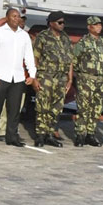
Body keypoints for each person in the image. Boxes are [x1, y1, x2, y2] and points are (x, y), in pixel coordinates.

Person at [0, 8, 36, 147]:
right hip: (1, 76)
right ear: (7, 17)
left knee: (14, 110)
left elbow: (29, 57)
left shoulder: (24, 35)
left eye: (18, 16)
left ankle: (12, 137)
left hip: (18, 77)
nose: (16, 18)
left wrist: (32, 75)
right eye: (13, 16)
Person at [32, 11, 74, 148]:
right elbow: (35, 58)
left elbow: (70, 60)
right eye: (59, 22)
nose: (62, 25)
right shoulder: (43, 37)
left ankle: (50, 134)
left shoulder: (66, 39)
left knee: (56, 108)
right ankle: (40, 135)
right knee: (42, 106)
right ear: (51, 23)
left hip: (61, 78)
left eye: (63, 23)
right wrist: (35, 77)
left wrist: (70, 79)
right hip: (46, 76)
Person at [72, 16, 103, 147]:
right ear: (89, 27)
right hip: (86, 79)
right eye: (96, 25)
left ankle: (91, 134)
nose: (99, 27)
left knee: (96, 108)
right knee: (83, 108)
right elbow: (74, 61)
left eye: (100, 25)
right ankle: (80, 134)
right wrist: (80, 76)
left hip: (100, 80)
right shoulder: (82, 43)